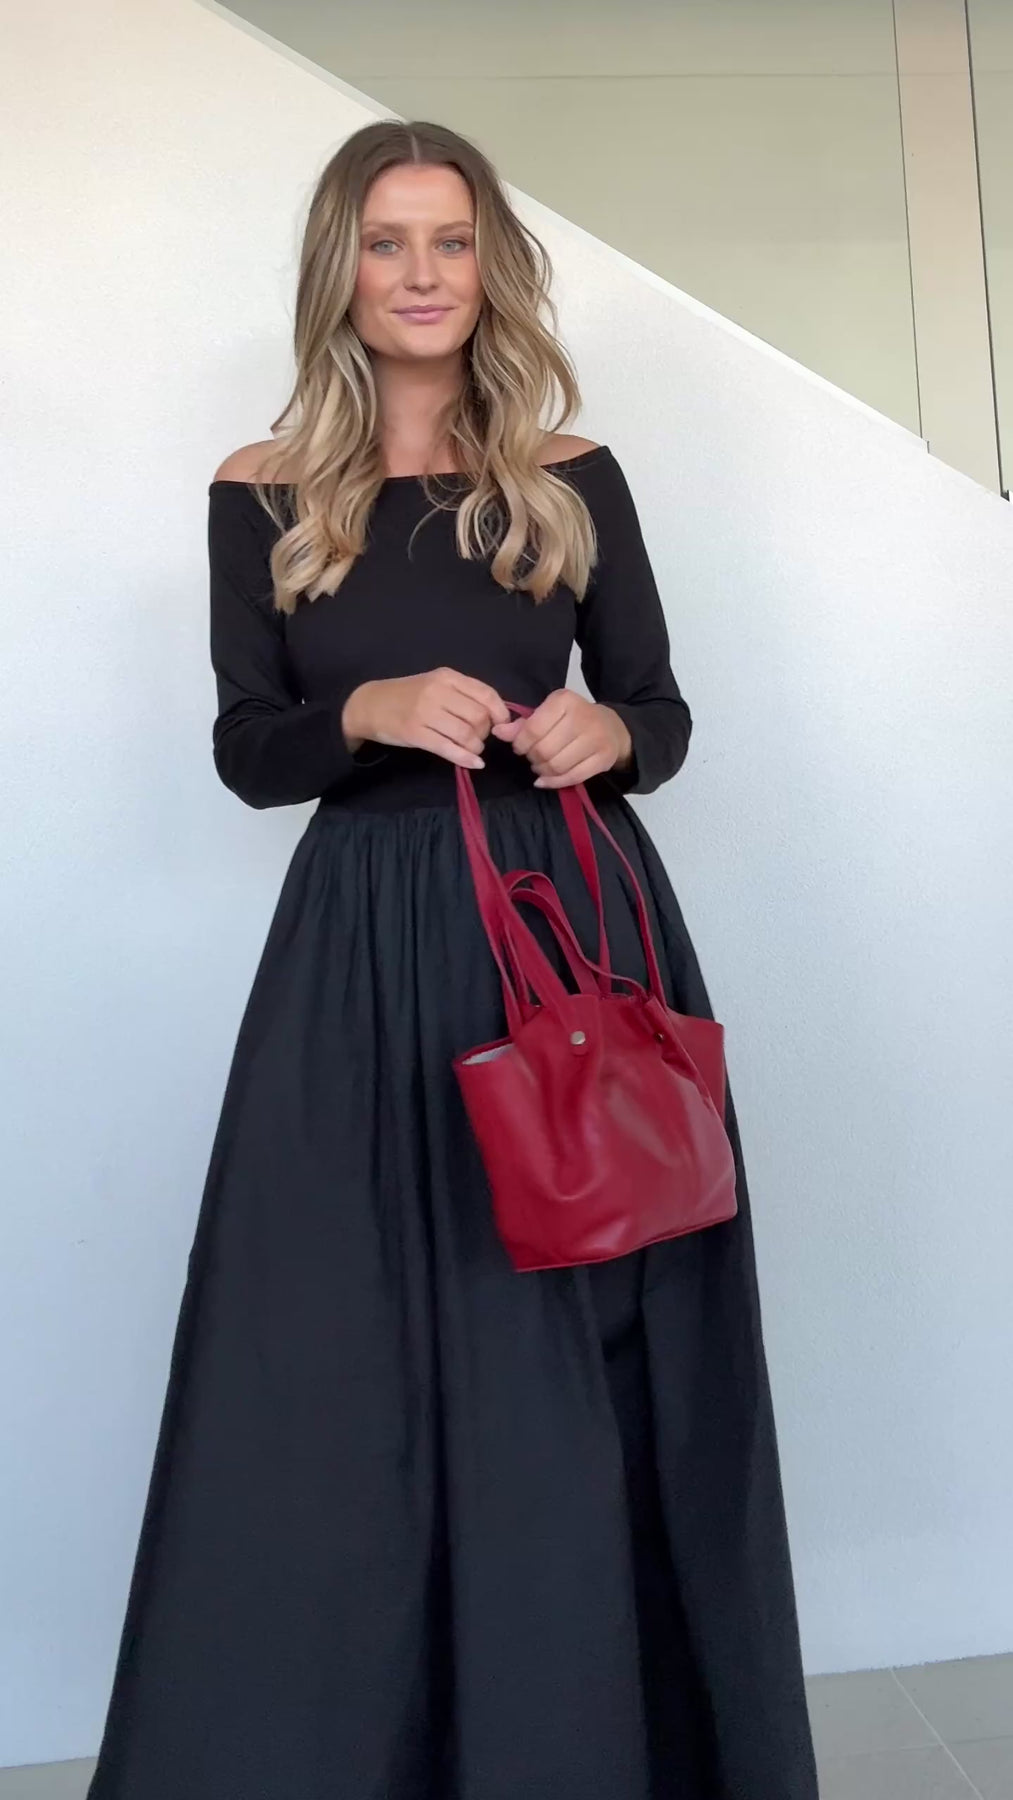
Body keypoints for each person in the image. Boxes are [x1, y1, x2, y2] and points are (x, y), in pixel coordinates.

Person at [87, 120, 818, 1800]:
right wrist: (361, 707)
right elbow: (248, 750)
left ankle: (593, 1743)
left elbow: (660, 710)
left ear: (492, 266)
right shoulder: (261, 488)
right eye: (385, 241)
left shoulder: (572, 473)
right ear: (337, 269)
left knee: (578, 1334)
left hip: (573, 930)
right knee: (338, 1345)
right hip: (362, 953)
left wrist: (604, 734)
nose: (420, 275)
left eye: (451, 241)